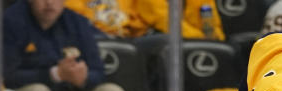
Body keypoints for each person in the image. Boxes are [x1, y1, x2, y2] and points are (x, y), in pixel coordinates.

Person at [64, 0, 226, 40]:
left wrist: (205, 41)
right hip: (92, 38)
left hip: (130, 38)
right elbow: (72, 15)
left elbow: (213, 33)